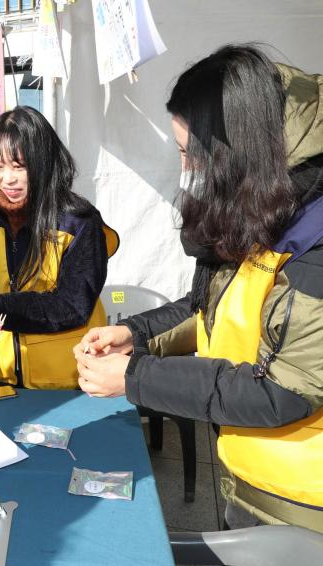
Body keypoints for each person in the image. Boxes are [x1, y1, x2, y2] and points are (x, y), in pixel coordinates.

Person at [74, 45, 323, 533]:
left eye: (193, 153)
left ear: (237, 151)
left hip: (305, 507)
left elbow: (281, 391)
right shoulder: (265, 209)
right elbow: (210, 308)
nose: (189, 169)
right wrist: (136, 335)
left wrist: (136, 377)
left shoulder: (313, 238)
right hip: (253, 477)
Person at [0, 106, 119, 389]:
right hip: (6, 376)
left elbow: (73, 304)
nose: (7, 178)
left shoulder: (78, 221)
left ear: (43, 161)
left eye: (19, 166)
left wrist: (1, 307)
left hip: (73, 378)